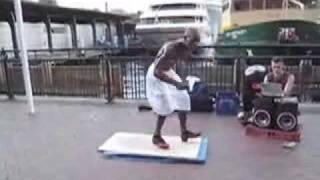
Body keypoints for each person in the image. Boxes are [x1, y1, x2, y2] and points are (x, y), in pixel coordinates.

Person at [146, 28, 201, 149]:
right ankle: (156, 136)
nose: (194, 46)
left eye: (196, 43)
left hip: (167, 71)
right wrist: (175, 83)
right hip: (156, 74)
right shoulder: (170, 48)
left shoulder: (186, 48)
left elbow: (187, 59)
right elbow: (157, 71)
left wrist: (184, 81)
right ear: (185, 38)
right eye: (193, 43)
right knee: (164, 104)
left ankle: (184, 132)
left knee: (183, 97)